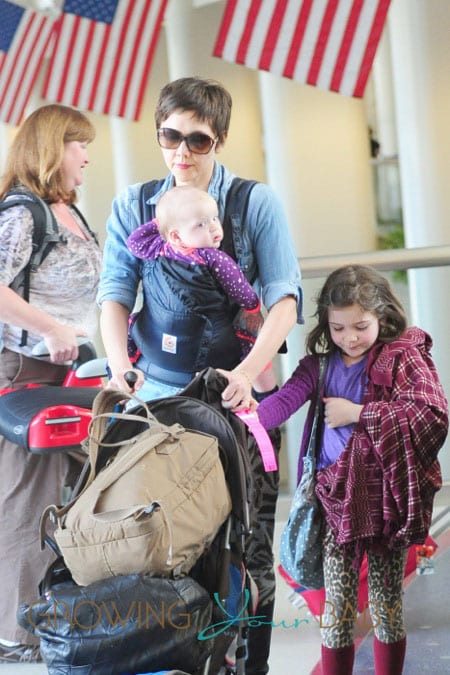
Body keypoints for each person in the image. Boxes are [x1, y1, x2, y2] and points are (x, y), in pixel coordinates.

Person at [97, 76, 303, 674]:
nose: (181, 151)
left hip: (239, 397)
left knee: (245, 546)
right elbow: (115, 292)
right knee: (161, 543)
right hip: (157, 398)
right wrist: (117, 365)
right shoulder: (134, 206)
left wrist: (247, 372)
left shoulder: (251, 204)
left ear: (220, 140)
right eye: (169, 136)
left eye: (197, 139)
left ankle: (251, 662)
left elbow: (284, 296)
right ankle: (180, 660)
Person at [255, 265, 448, 675]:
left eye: (360, 326)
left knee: (386, 604)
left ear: (383, 316)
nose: (350, 338)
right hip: (335, 502)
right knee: (336, 609)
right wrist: (243, 409)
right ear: (326, 322)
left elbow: (432, 414)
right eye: (338, 328)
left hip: (386, 503)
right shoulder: (318, 366)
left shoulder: (403, 358)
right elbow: (281, 405)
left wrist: (360, 413)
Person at [0, 104, 101, 663]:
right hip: (25, 371)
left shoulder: (67, 212)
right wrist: (51, 327)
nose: (85, 154)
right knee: (26, 499)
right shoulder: (24, 213)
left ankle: (51, 615)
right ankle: (17, 634)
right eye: (77, 143)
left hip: (71, 371)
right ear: (51, 148)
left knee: (67, 498)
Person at [126, 184, 266, 369]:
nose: (214, 227)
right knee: (246, 335)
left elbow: (134, 242)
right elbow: (239, 287)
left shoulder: (160, 248)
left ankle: (131, 352)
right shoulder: (212, 258)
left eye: (214, 218)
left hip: (156, 345)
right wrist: (253, 307)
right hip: (206, 348)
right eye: (201, 224)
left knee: (133, 321)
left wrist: (161, 223)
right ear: (175, 236)